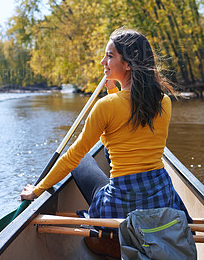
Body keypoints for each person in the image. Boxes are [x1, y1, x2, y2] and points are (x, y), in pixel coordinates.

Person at [20, 28, 192, 257]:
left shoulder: (106, 107)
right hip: (160, 197)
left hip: (122, 206)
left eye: (110, 56)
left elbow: (75, 155)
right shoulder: (164, 102)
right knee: (111, 152)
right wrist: (112, 88)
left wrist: (38, 189)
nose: (103, 61)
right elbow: (127, 114)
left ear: (128, 63)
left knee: (82, 161)